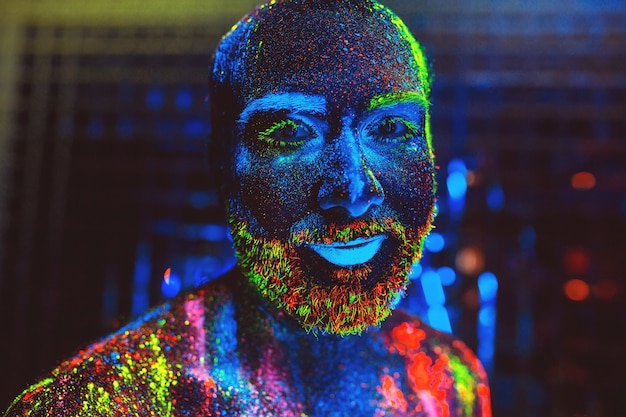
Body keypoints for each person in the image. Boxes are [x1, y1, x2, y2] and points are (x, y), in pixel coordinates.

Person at [4, 0, 492, 415]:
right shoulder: (104, 403)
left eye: (390, 128)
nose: (352, 191)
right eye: (291, 132)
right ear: (222, 166)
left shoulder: (451, 382)